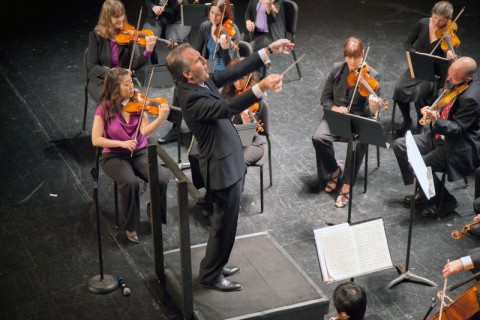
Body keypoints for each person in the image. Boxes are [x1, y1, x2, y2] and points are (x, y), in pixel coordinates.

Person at [165, 38, 293, 291]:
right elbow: (227, 106)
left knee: (225, 223)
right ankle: (211, 275)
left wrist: (267, 51)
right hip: (222, 169)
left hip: (230, 160)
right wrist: (261, 87)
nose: (205, 61)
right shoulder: (190, 98)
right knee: (224, 224)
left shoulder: (200, 81)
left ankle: (217, 263)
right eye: (198, 61)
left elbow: (234, 71)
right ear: (187, 74)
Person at [393, 56, 480, 218]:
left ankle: (445, 202)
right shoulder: (456, 81)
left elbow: (458, 129)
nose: (448, 79)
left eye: (452, 78)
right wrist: (433, 109)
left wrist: (435, 120)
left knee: (419, 166)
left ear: (468, 78)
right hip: (439, 136)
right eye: (449, 74)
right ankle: (423, 189)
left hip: (458, 146)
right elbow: (445, 103)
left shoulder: (471, 98)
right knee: (400, 145)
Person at [91, 67, 170, 243]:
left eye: (131, 83)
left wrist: (160, 118)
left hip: (139, 152)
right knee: (130, 182)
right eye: (127, 84)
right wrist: (121, 143)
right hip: (114, 155)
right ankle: (130, 226)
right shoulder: (103, 109)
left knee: (162, 178)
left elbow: (145, 131)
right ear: (115, 87)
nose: (132, 87)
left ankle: (155, 213)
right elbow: (96, 140)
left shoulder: (139, 103)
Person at [312, 36, 382, 208]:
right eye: (349, 58)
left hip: (358, 119)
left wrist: (373, 108)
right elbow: (325, 98)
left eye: (356, 57)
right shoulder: (337, 70)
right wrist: (335, 109)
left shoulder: (372, 76)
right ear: (344, 57)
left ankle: (347, 184)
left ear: (362, 54)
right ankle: (335, 171)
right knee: (318, 138)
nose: (353, 62)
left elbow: (372, 114)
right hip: (337, 117)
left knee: (358, 143)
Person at [392, 1, 457, 136]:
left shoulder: (449, 34)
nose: (436, 22)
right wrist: (415, 53)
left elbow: (451, 62)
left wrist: (450, 55)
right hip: (418, 66)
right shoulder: (422, 23)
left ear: (448, 20)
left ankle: (420, 123)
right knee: (398, 88)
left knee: (420, 92)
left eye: (441, 20)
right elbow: (407, 43)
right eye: (434, 18)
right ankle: (407, 119)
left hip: (434, 73)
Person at [87, 0, 157, 103]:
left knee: (134, 101)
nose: (121, 20)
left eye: (122, 15)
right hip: (102, 81)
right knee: (110, 102)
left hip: (124, 81)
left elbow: (134, 65)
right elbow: (92, 67)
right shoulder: (96, 36)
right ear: (107, 19)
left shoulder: (129, 33)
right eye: (116, 17)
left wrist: (148, 51)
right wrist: (113, 72)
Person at [221, 57, 267, 166]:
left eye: (242, 78)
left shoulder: (255, 96)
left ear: (250, 76)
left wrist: (246, 123)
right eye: (235, 78)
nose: (238, 82)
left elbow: (250, 133)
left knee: (236, 163)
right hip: (229, 139)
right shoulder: (227, 90)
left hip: (251, 143)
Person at [194, 0, 240, 73]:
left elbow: (228, 64)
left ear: (225, 15)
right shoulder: (205, 26)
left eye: (218, 15)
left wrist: (225, 48)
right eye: (212, 12)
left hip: (226, 71)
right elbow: (197, 51)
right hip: (208, 69)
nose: (213, 17)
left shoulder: (231, 29)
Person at [142, 0, 192, 65]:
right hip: (155, 19)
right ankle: (153, 66)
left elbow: (186, 8)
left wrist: (180, 2)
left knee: (173, 43)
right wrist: (153, 7)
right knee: (147, 40)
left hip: (176, 21)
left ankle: (178, 67)